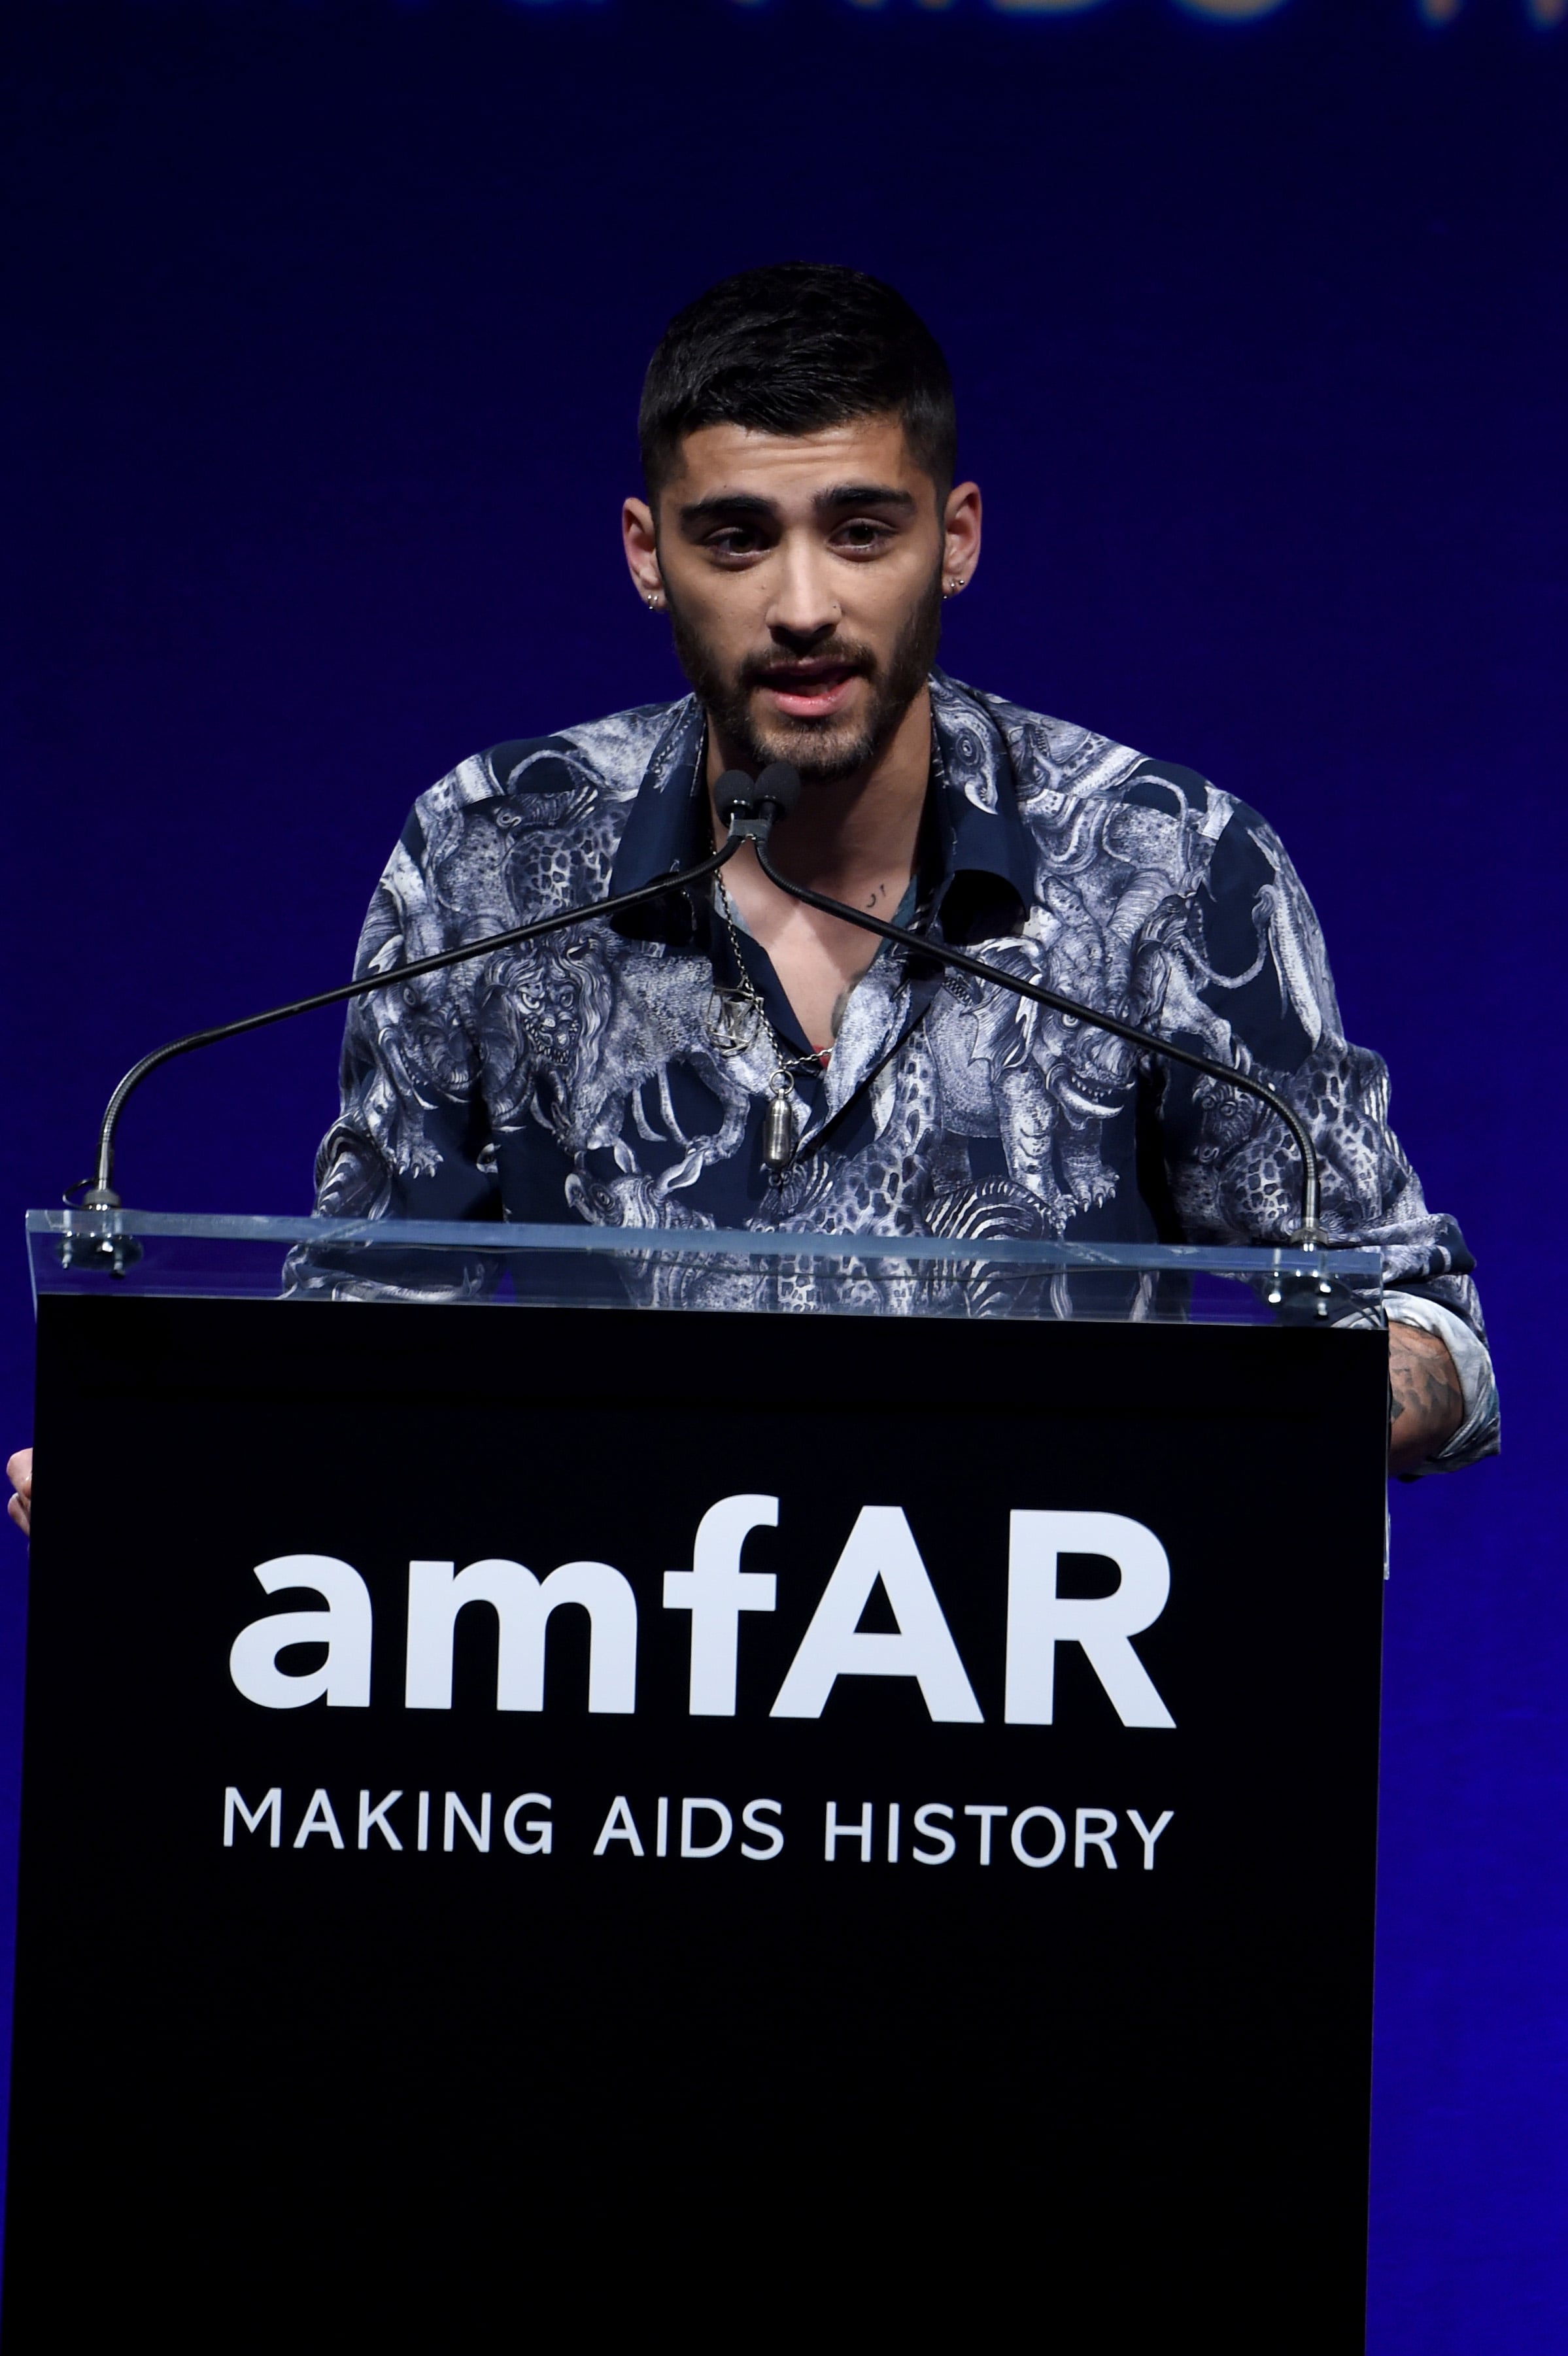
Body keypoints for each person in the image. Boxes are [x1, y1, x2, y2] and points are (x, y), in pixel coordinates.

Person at [6, 264, 1495, 1532]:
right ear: (649, 556)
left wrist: (1239, 1431)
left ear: (954, 539)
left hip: (1047, 1748)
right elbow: (370, 1322)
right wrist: (173, 1457)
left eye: (861, 530)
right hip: (613, 1738)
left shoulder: (1169, 864)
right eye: (736, 537)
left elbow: (1422, 1328)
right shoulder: (487, 854)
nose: (800, 604)